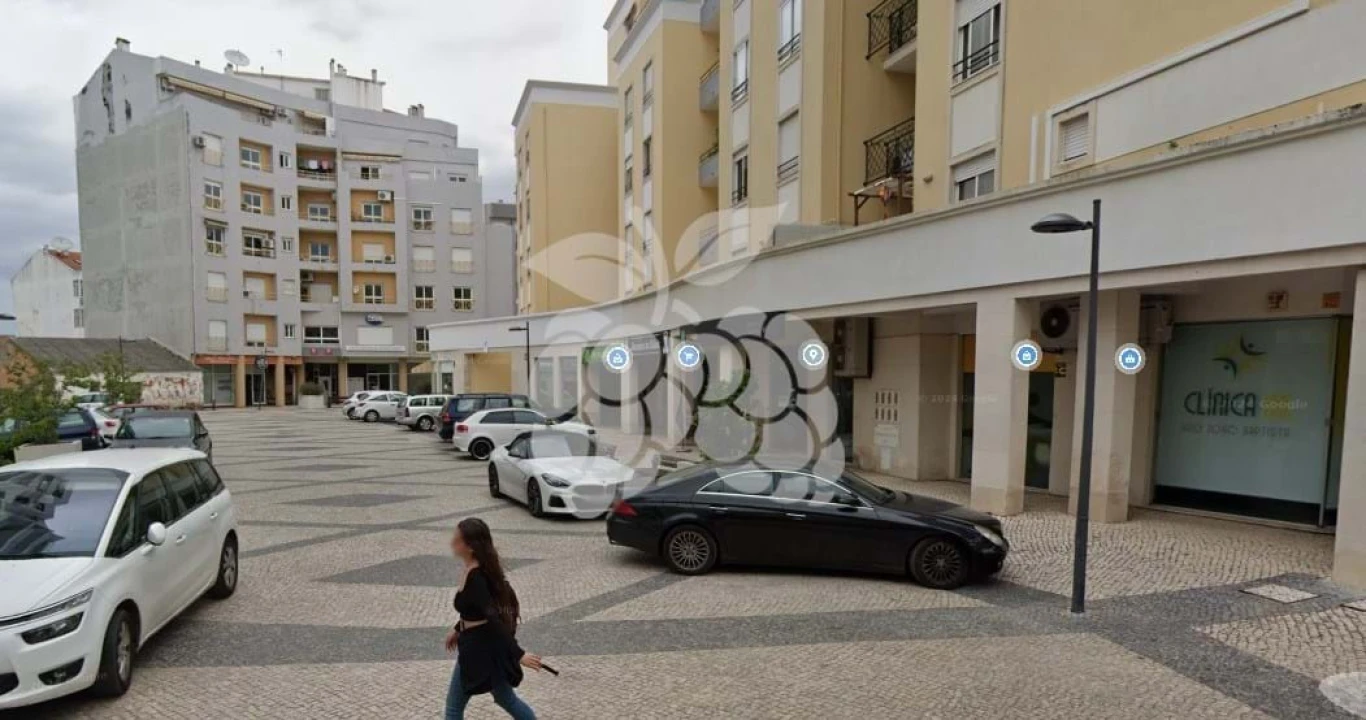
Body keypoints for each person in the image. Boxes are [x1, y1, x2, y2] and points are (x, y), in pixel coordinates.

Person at [444, 517, 543, 720]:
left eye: (457, 539)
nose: (452, 542)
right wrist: (458, 628)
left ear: (470, 546)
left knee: (454, 709)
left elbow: (493, 619)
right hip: (486, 648)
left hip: (480, 649)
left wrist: (518, 654)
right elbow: (475, 610)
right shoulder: (474, 570)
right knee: (506, 699)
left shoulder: (477, 578)